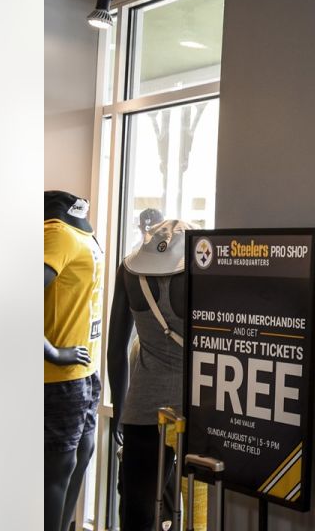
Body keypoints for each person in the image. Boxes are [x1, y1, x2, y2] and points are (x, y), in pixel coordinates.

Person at [107, 219, 207, 530]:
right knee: (196, 514)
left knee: (137, 511)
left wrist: (119, 411)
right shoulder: (199, 274)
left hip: (143, 408)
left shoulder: (128, 272)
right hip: (195, 408)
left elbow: (116, 349)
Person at [44, 190, 105, 531]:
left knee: (81, 458)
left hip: (85, 374)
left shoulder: (83, 235)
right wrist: (52, 351)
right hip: (57, 379)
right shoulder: (57, 232)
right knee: (57, 471)